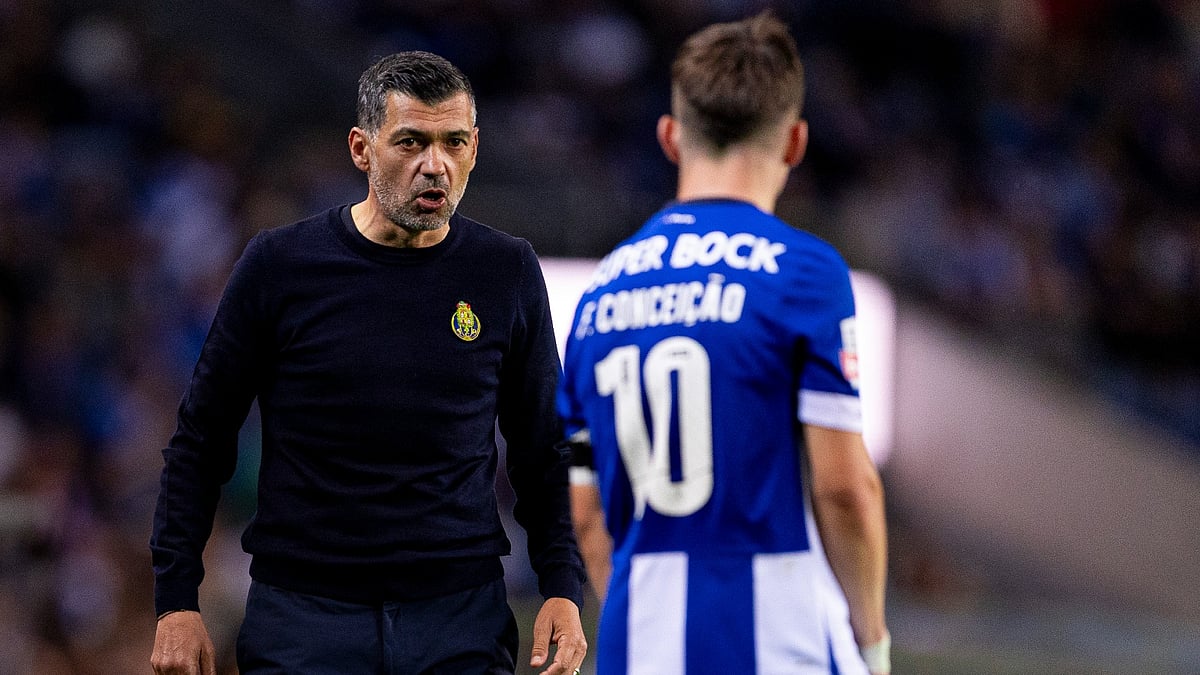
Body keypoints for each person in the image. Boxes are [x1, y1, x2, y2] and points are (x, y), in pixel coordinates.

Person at [149, 51, 587, 675]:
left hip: (459, 620)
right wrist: (175, 603)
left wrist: (562, 586)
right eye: (410, 142)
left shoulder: (506, 270)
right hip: (303, 620)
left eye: (453, 143)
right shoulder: (280, 267)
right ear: (361, 148)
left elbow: (543, 449)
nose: (434, 166)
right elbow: (200, 440)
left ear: (475, 147)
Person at [558, 12, 891, 675]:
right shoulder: (803, 271)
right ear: (794, 142)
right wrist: (872, 639)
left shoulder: (599, 296)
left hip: (637, 640)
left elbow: (588, 514)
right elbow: (845, 487)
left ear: (669, 137)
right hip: (777, 640)